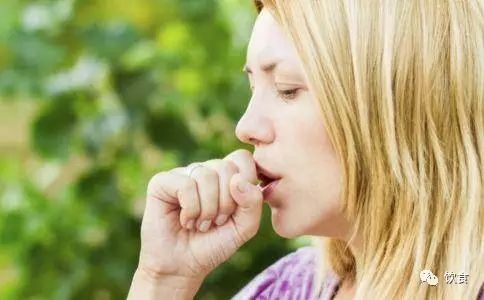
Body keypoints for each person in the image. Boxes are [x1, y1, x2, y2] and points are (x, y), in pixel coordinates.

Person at [127, 0, 483, 299]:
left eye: (286, 89)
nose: (246, 127)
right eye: (253, 87)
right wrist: (164, 281)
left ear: (397, 102)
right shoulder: (286, 288)